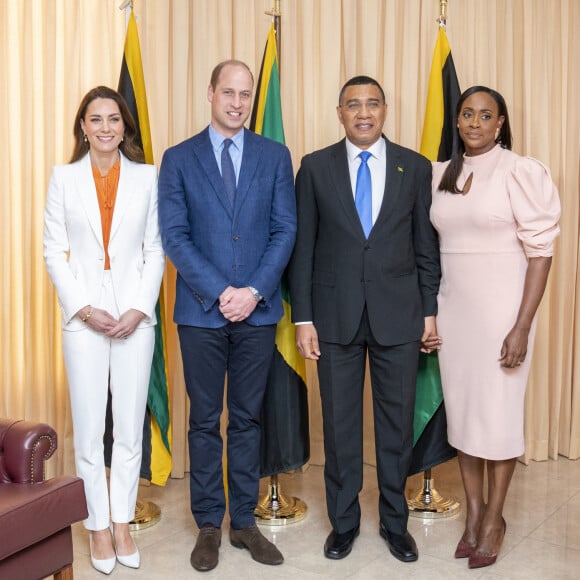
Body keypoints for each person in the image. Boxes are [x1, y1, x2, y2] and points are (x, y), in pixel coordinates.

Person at [288, 75, 441, 563]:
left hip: (400, 317)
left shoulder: (414, 168)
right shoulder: (314, 167)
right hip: (334, 319)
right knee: (340, 427)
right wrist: (303, 319)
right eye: (353, 105)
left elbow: (425, 248)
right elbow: (304, 250)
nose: (363, 113)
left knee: (395, 429)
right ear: (339, 113)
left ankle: (396, 524)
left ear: (386, 109)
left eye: (372, 104)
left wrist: (430, 311)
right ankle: (344, 523)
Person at [157, 60, 296, 573]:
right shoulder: (178, 159)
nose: (237, 102)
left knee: (247, 419)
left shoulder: (275, 155)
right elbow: (176, 236)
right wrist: (221, 293)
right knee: (202, 421)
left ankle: (244, 522)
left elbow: (285, 229)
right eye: (228, 92)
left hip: (258, 314)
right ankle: (208, 525)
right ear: (210, 93)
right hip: (200, 314)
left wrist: (254, 290)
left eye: (245, 93)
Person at [428, 86, 561, 569]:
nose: (475, 122)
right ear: (458, 120)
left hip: (504, 314)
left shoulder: (520, 171)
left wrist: (522, 325)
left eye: (486, 115)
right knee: (464, 418)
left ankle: (495, 519)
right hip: (454, 315)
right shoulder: (439, 174)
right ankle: (474, 512)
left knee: (499, 419)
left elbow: (541, 253)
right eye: (468, 114)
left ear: (500, 123)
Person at [43, 86, 165, 575]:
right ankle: (96, 524)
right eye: (96, 120)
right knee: (91, 431)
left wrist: (138, 308)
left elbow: (155, 249)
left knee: (129, 430)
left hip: (136, 317)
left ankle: (121, 521)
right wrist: (85, 309)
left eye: (114, 119)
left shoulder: (148, 177)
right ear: (83, 127)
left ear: (124, 127)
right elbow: (54, 250)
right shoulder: (63, 178)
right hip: (85, 319)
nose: (106, 128)